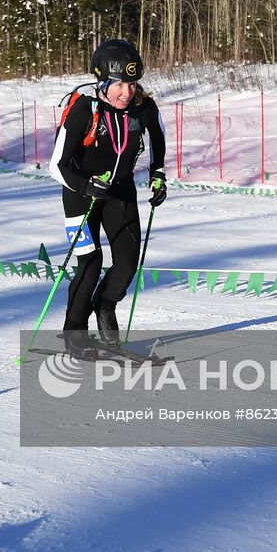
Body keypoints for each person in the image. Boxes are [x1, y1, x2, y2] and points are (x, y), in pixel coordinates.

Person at [48, 39, 167, 357]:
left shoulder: (142, 108)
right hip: (79, 194)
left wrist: (158, 175)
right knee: (90, 262)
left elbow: (158, 137)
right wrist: (85, 186)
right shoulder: (83, 109)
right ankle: (74, 329)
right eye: (119, 85)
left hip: (120, 192)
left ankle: (104, 305)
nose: (126, 93)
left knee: (127, 264)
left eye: (132, 84)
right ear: (101, 81)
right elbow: (55, 166)